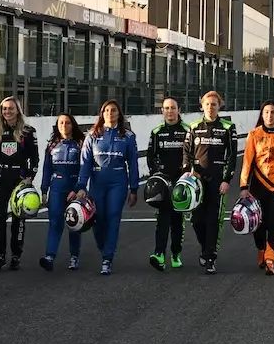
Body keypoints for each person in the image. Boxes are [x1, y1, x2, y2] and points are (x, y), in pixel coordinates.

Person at [76, 99, 140, 276]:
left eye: (113, 111)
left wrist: (134, 188)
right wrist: (81, 185)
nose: (110, 114)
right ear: (102, 113)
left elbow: (133, 164)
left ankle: (107, 258)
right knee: (97, 218)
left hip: (118, 182)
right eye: (106, 111)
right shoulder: (92, 135)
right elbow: (85, 162)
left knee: (113, 217)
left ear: (119, 114)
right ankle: (104, 248)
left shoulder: (127, 136)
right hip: (97, 182)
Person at [239, 100, 274, 276]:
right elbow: (247, 162)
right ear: (262, 115)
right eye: (266, 112)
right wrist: (243, 186)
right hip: (257, 187)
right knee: (258, 225)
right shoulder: (254, 134)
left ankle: (271, 259)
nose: (270, 116)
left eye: (273, 112)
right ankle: (261, 250)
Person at [182, 91, 237, 275]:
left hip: (217, 181)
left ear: (219, 106)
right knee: (196, 219)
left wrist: (226, 180)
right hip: (196, 180)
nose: (211, 107)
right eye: (208, 104)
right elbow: (187, 153)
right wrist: (188, 173)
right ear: (202, 106)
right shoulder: (194, 126)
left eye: (214, 104)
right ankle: (206, 247)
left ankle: (210, 257)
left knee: (213, 219)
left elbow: (232, 157)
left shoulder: (228, 127)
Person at [0, 96, 39, 273]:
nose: (7, 112)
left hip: (20, 179)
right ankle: (0, 255)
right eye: (4, 109)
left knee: (18, 219)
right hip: (2, 177)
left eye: (11, 108)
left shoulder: (28, 132)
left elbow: (35, 158)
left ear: (18, 110)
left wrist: (30, 177)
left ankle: (16, 255)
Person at [147, 97, 190, 272]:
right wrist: (156, 177)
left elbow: (192, 155)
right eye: (166, 108)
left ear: (179, 109)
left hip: (182, 182)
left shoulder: (188, 130)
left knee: (177, 220)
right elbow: (150, 157)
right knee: (162, 219)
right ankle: (159, 254)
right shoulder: (156, 132)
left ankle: (175, 253)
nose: (170, 111)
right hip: (164, 184)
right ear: (162, 111)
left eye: (173, 108)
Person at [38, 114, 86, 271]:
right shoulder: (52, 145)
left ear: (73, 125)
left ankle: (74, 257)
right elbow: (46, 169)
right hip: (57, 187)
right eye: (61, 122)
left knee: (74, 223)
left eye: (67, 122)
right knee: (55, 223)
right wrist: (44, 190)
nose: (64, 125)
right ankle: (50, 256)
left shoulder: (81, 144)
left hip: (74, 187)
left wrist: (78, 189)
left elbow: (84, 169)